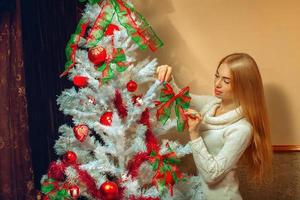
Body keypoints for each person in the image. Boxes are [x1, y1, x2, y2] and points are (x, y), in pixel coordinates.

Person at [156, 53, 272, 200]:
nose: (217, 84)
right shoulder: (210, 105)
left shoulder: (242, 129)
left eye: (226, 81)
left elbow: (212, 175)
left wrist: (195, 133)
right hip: (199, 195)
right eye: (217, 76)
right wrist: (168, 77)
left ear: (244, 86)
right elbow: (181, 98)